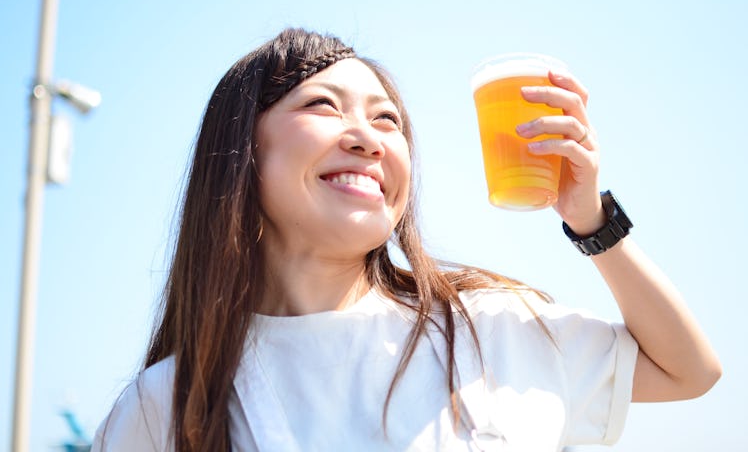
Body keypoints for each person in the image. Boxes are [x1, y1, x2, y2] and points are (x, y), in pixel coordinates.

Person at [92, 28, 721, 451]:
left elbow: (688, 370)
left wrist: (592, 221)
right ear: (241, 152)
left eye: (387, 119)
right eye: (322, 106)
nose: (368, 137)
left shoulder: (490, 326)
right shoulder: (168, 406)